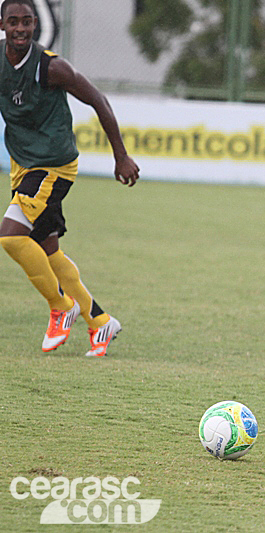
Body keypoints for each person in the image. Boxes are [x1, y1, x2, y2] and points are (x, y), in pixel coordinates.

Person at [0, 0, 139, 357]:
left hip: (53, 164)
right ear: (2, 25)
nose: (20, 28)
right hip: (24, 164)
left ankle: (61, 306)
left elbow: (99, 101)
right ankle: (100, 321)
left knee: (11, 236)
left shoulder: (51, 67)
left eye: (27, 22)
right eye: (13, 21)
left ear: (35, 26)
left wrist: (120, 156)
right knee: (47, 250)